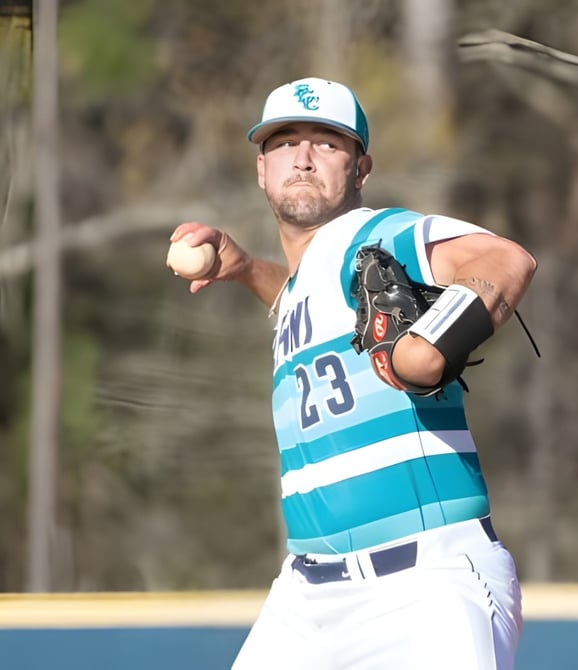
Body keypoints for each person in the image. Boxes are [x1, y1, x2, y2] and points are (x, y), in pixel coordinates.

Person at [170, 77, 536, 670]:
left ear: (361, 168)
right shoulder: (303, 285)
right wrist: (245, 270)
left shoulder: (374, 237)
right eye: (285, 141)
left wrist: (428, 345)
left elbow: (506, 260)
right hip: (305, 597)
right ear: (262, 169)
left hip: (423, 585)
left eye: (327, 142)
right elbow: (305, 301)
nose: (304, 156)